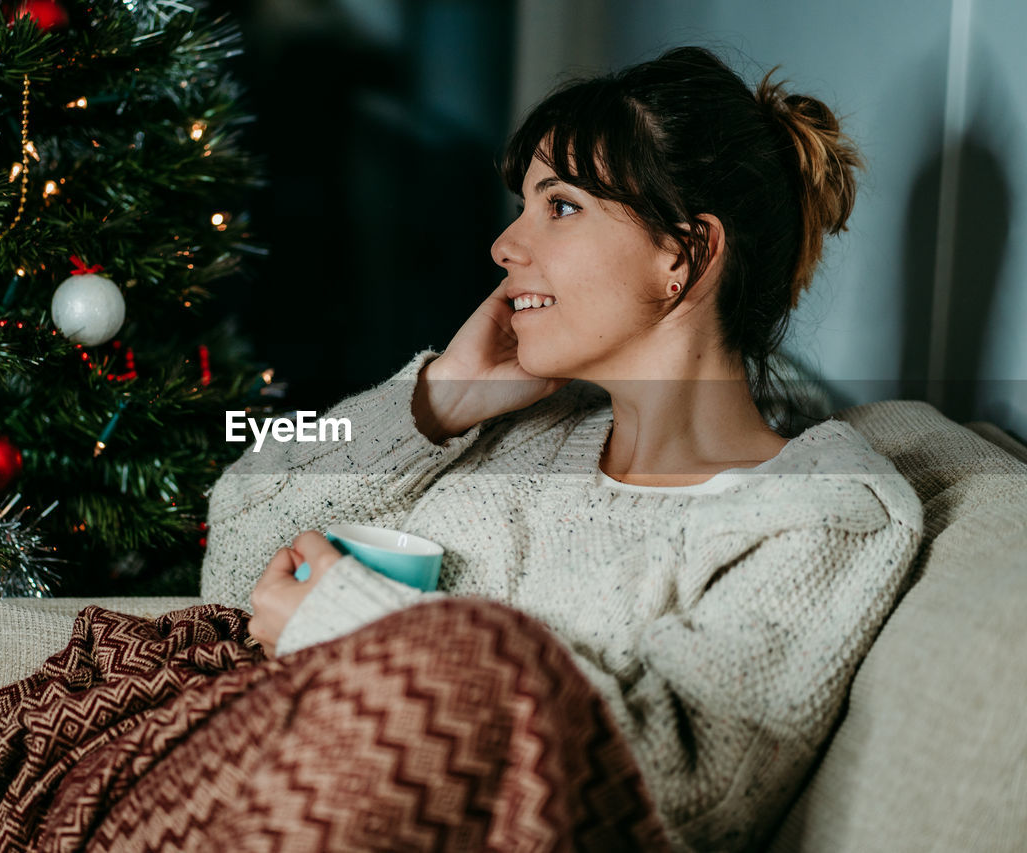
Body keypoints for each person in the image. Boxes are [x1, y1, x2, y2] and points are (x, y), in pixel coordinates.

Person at [201, 46, 923, 850]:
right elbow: (233, 558)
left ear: (681, 255)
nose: (506, 246)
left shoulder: (823, 513)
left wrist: (355, 627)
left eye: (562, 206)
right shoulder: (520, 429)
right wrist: (437, 402)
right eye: (524, 205)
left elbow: (679, 792)